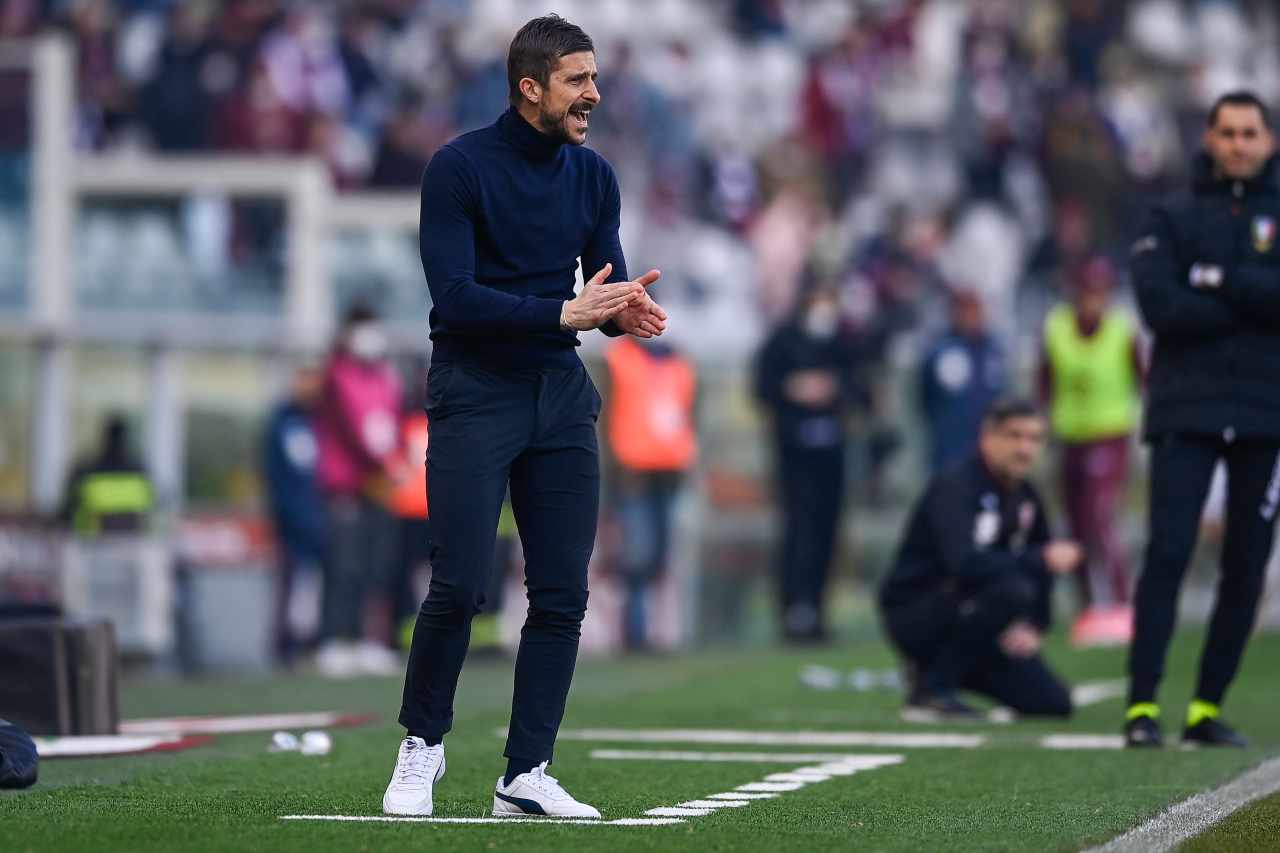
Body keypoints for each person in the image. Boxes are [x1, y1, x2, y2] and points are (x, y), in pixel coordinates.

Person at [383, 15, 667, 820]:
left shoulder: (595, 175)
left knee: (562, 592)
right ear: (530, 87)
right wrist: (564, 313)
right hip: (474, 388)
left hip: (559, 393)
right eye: (579, 80)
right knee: (460, 582)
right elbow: (455, 298)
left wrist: (623, 311)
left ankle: (526, 771)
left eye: (595, 78)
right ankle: (422, 744)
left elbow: (598, 291)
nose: (594, 94)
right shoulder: (459, 167)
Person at [1124, 91, 1280, 749]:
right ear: (1209, 139)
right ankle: (1141, 706)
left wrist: (1217, 281)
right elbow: (1160, 307)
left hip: (1266, 415)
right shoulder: (1171, 213)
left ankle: (1204, 708)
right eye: (1228, 132)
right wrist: (1253, 298)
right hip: (1185, 409)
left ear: (1269, 142)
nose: (1238, 144)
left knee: (1246, 564)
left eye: (1250, 133)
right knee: (1168, 551)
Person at [879, 398, 1081, 720]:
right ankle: (931, 689)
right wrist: (1038, 558)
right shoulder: (955, 486)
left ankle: (944, 670)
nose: (1025, 449)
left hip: (981, 620)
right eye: (1014, 436)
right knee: (1012, 590)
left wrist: (1035, 623)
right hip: (917, 610)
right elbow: (962, 563)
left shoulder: (1026, 496)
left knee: (1053, 703)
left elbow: (1043, 560)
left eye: (1034, 439)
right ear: (988, 437)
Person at [1038, 257, 1143, 647]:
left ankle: (1120, 604)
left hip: (1109, 434)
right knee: (1077, 526)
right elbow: (1045, 382)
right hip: (1070, 437)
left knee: (1101, 518)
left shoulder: (1121, 329)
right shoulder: (1056, 328)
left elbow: (1142, 378)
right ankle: (1088, 608)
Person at [754, 280, 864, 643]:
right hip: (794, 454)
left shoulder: (842, 343)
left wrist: (833, 387)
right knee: (797, 531)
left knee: (827, 533)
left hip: (832, 455)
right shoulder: (783, 341)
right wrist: (792, 388)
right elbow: (763, 388)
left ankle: (817, 610)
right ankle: (792, 611)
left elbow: (861, 387)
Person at [313, 303, 403, 678]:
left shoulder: (385, 376)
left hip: (379, 486)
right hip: (347, 485)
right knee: (344, 565)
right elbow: (348, 430)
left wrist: (393, 463)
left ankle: (369, 640)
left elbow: (394, 423)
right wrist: (379, 464)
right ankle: (334, 640)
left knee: (375, 566)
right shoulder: (336, 376)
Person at [604, 337, 697, 651]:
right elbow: (605, 416)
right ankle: (636, 630)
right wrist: (614, 467)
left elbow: (686, 416)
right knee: (637, 553)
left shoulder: (678, 362)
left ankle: (655, 630)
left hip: (669, 473)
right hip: (634, 474)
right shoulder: (617, 359)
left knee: (659, 555)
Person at [262, 363, 328, 664]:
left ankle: (311, 641)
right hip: (292, 519)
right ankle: (285, 646)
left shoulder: (318, 421)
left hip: (318, 515)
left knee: (314, 584)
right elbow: (277, 474)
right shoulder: (283, 423)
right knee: (290, 582)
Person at [920, 289, 1008, 475]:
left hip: (985, 446)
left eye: (975, 310)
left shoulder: (993, 351)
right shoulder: (941, 350)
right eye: (964, 310)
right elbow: (924, 396)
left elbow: (1001, 395)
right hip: (949, 447)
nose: (970, 317)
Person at [61, 415, 153, 537]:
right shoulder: (140, 472)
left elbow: (68, 510)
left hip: (90, 541)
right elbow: (150, 511)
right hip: (132, 541)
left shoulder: (85, 470)